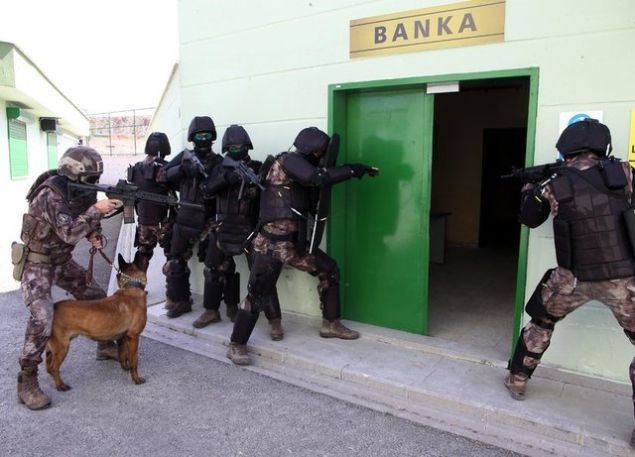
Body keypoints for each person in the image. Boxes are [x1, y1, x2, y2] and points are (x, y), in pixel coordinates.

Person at [504, 119, 635, 444]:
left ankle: (517, 380)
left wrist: (529, 188)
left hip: (572, 277)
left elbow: (529, 219)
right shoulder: (624, 172)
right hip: (624, 279)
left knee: (540, 324)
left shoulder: (554, 182)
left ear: (566, 149)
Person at [227, 126, 378, 365]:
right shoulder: (287, 161)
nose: (320, 157)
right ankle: (236, 345)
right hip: (271, 245)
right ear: (312, 150)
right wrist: (351, 170)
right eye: (320, 153)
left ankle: (331, 324)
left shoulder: (300, 167)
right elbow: (318, 177)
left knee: (329, 270)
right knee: (257, 296)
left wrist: (351, 170)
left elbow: (316, 182)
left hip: (293, 246)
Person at [17, 147, 121, 410]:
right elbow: (69, 233)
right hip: (38, 263)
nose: (94, 184)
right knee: (43, 317)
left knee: (96, 296)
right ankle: (27, 380)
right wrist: (96, 210)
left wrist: (94, 234)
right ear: (73, 173)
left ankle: (104, 344)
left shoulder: (80, 190)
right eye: (90, 178)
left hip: (61, 260)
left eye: (96, 178)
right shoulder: (50, 194)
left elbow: (86, 219)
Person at [195, 125, 284, 340]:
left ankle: (275, 321)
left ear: (248, 146)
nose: (236, 149)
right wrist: (227, 179)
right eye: (232, 147)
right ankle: (213, 310)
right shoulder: (220, 168)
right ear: (226, 148)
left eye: (240, 146)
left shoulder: (258, 167)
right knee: (214, 269)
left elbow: (271, 197)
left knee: (262, 277)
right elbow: (205, 190)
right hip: (223, 228)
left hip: (251, 230)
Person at [162, 116, 223, 318]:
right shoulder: (185, 157)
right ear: (192, 138)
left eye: (207, 136)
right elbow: (162, 176)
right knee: (175, 261)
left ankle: (212, 309)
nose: (203, 140)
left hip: (209, 219)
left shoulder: (219, 162)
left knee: (214, 266)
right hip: (185, 216)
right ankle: (181, 301)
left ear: (212, 137)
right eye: (199, 136)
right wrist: (181, 170)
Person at [128, 132, 174, 265]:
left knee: (142, 256)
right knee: (174, 261)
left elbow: (129, 197)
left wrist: (129, 217)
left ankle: (134, 279)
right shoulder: (167, 168)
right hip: (163, 223)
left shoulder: (136, 167)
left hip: (143, 222)